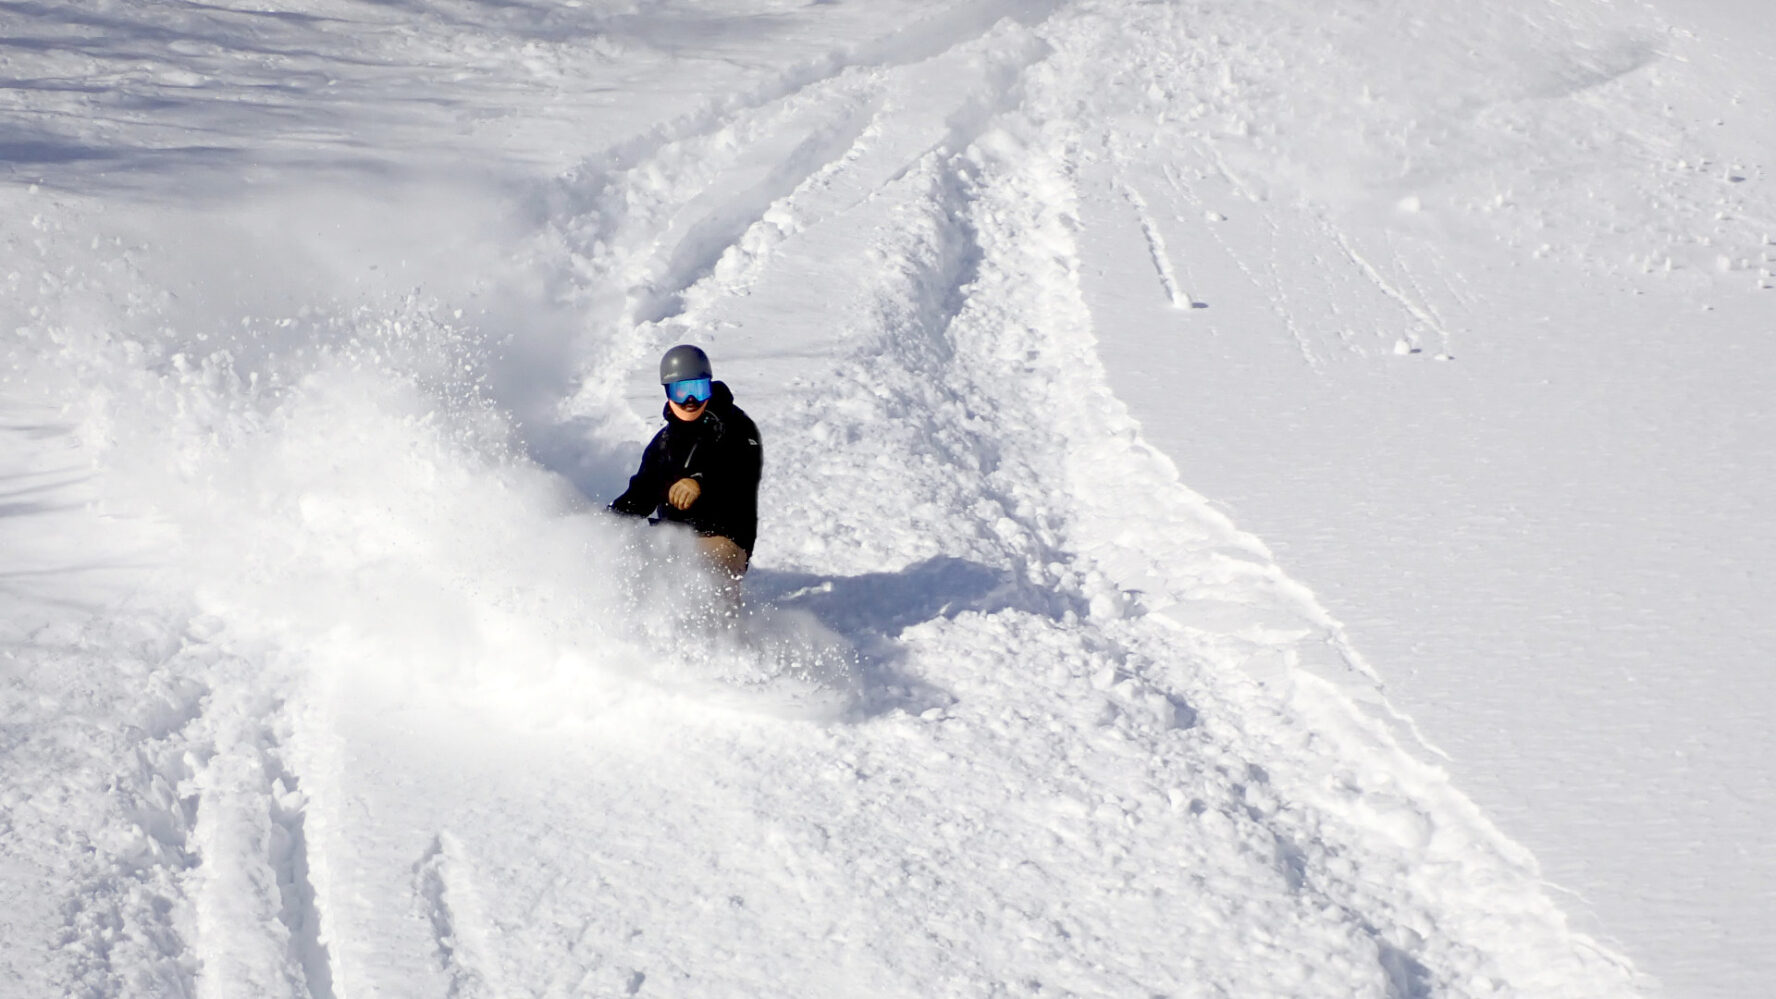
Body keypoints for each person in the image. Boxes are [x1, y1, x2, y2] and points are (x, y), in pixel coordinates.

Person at [609, 345, 762, 588]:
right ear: (668, 392)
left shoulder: (735, 426)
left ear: (709, 387)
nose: (690, 400)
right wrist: (602, 527)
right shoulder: (663, 444)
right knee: (624, 548)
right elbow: (641, 495)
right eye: (681, 391)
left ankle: (723, 625)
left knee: (687, 563)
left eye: (698, 390)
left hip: (725, 540)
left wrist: (701, 481)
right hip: (676, 537)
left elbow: (740, 466)